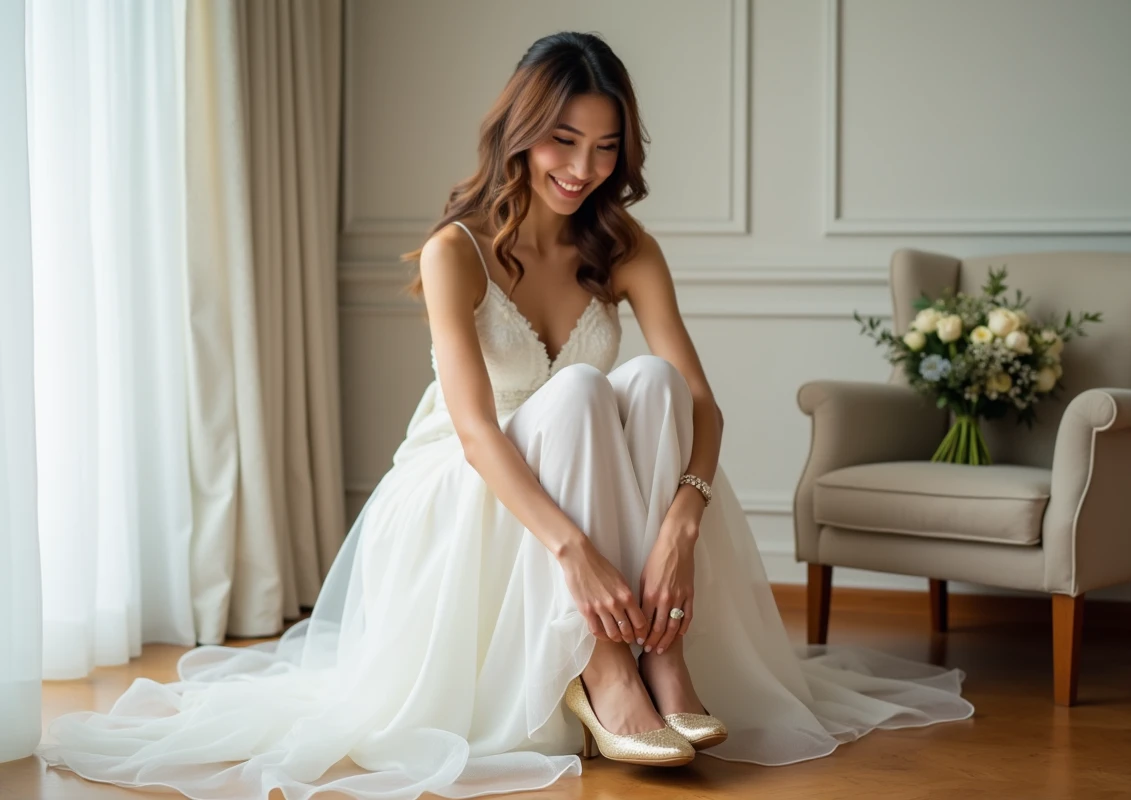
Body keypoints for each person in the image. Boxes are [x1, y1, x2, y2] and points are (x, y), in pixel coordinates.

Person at [38, 31, 974, 800]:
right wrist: (575, 549)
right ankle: (603, 667)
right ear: (522, 132)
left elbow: (699, 402)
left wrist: (685, 515)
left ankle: (663, 657)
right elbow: (479, 430)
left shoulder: (624, 244)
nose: (583, 168)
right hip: (473, 488)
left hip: (602, 481)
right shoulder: (457, 251)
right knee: (575, 392)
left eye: (606, 148)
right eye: (565, 140)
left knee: (645, 388)